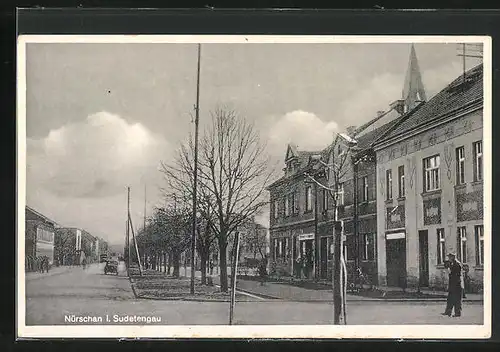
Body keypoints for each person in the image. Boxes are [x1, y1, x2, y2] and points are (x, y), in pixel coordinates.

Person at [442, 252, 464, 317]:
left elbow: (455, 275)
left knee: (457, 299)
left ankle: (457, 313)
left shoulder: (457, 264)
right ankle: (448, 312)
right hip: (453, 284)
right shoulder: (453, 263)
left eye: (449, 257)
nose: (448, 258)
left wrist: (449, 271)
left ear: (453, 257)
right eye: (448, 257)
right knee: (450, 298)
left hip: (457, 284)